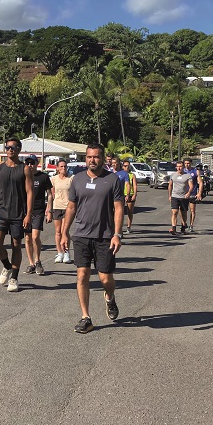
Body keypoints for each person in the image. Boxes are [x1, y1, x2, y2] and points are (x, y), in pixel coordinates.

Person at [61, 143, 124, 334]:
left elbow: (119, 208)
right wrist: (65, 232)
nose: (92, 160)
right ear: (85, 158)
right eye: (89, 157)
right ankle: (85, 317)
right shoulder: (77, 180)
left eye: (96, 157)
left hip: (105, 236)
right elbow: (71, 207)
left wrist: (117, 234)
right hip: (81, 235)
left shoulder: (112, 180)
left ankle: (110, 297)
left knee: (105, 278)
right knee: (82, 275)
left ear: (103, 158)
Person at [0, 136, 33, 293]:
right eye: (7, 147)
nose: (10, 150)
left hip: (18, 214)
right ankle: (6, 266)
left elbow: (29, 192)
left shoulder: (24, 169)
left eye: (13, 147)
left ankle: (14, 277)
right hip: (1, 212)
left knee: (16, 245)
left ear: (19, 150)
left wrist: (28, 215)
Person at [23, 155, 53, 274]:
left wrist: (49, 210)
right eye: (28, 163)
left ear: (37, 163)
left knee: (35, 237)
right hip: (25, 211)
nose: (30, 165)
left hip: (38, 210)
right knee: (27, 237)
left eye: (32, 163)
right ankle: (31, 263)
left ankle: (38, 260)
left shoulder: (43, 177)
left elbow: (50, 194)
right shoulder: (23, 177)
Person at [51, 159, 73, 264]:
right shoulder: (54, 179)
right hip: (57, 207)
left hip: (67, 207)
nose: (63, 168)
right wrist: (49, 209)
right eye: (61, 166)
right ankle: (59, 252)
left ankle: (66, 253)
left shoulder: (71, 178)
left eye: (65, 166)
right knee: (58, 232)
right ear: (58, 168)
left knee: (65, 231)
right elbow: (52, 193)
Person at [168, 160, 193, 235]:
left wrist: (188, 193)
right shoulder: (173, 175)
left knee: (183, 213)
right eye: (177, 166)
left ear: (183, 167)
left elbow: (191, 185)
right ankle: (173, 228)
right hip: (174, 196)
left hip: (184, 197)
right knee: (174, 212)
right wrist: (169, 195)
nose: (179, 168)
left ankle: (183, 226)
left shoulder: (187, 175)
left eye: (180, 166)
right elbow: (170, 185)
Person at [182, 158, 203, 231]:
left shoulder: (195, 171)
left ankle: (191, 225)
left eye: (188, 163)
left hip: (193, 193)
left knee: (192, 210)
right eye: (185, 163)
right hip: (183, 193)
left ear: (191, 163)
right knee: (183, 210)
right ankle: (184, 224)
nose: (186, 165)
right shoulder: (182, 171)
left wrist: (199, 193)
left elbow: (200, 182)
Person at [121, 159, 137, 234]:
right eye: (125, 166)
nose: (126, 167)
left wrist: (134, 194)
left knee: (129, 211)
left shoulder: (132, 175)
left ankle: (128, 227)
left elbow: (134, 185)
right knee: (120, 211)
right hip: (121, 194)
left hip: (130, 194)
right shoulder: (120, 174)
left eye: (128, 166)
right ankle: (119, 227)